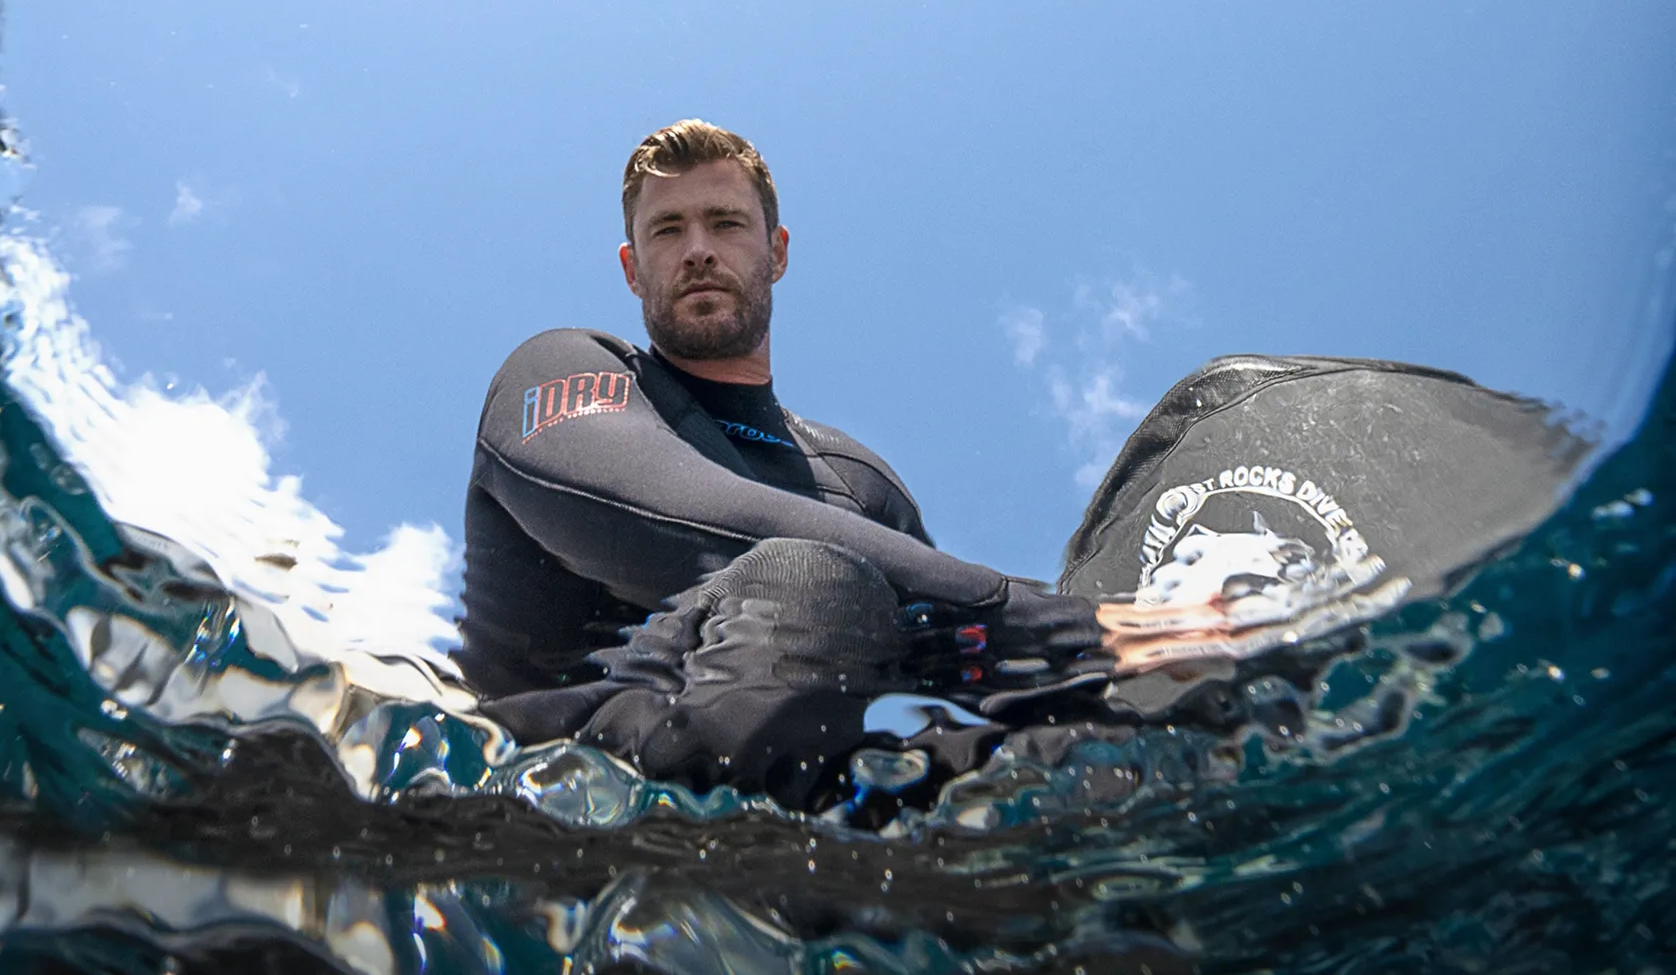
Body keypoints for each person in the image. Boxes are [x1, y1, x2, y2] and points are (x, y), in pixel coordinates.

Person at [452, 120, 1364, 809]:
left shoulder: (859, 485)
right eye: (667, 230)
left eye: (725, 223)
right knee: (816, 578)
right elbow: (674, 516)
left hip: (824, 813)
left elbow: (950, 667)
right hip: (557, 794)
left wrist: (1170, 666)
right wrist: (1051, 621)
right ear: (629, 266)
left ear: (774, 253)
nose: (697, 248)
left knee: (1146, 741)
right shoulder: (564, 375)